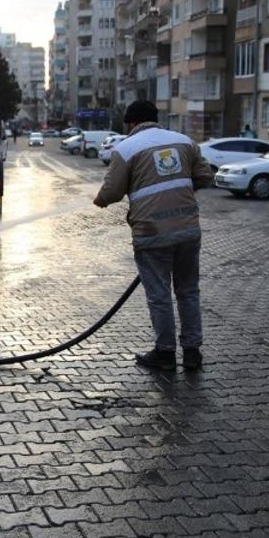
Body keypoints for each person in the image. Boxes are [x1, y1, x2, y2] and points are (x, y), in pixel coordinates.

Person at [93, 100, 213, 370]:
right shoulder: (184, 141)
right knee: (188, 291)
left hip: (151, 232)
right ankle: (192, 353)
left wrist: (100, 200)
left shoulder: (126, 148)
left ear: (132, 123)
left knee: (159, 295)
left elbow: (111, 192)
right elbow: (204, 175)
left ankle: (165, 354)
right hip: (187, 230)